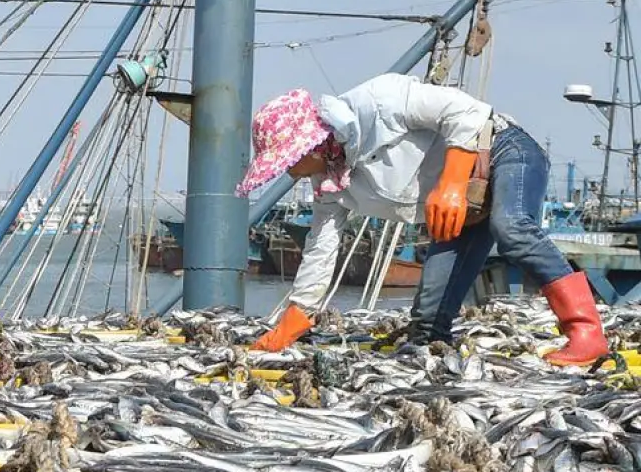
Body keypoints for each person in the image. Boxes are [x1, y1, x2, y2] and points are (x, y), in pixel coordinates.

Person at [237, 73, 606, 366]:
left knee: (510, 227)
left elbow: (466, 112)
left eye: (287, 161)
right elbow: (322, 247)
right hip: (459, 210)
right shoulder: (330, 183)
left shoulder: (378, 100)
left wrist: (451, 184)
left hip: (501, 151)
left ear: (308, 144)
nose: (288, 172)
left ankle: (585, 332)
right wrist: (296, 317)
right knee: (427, 331)